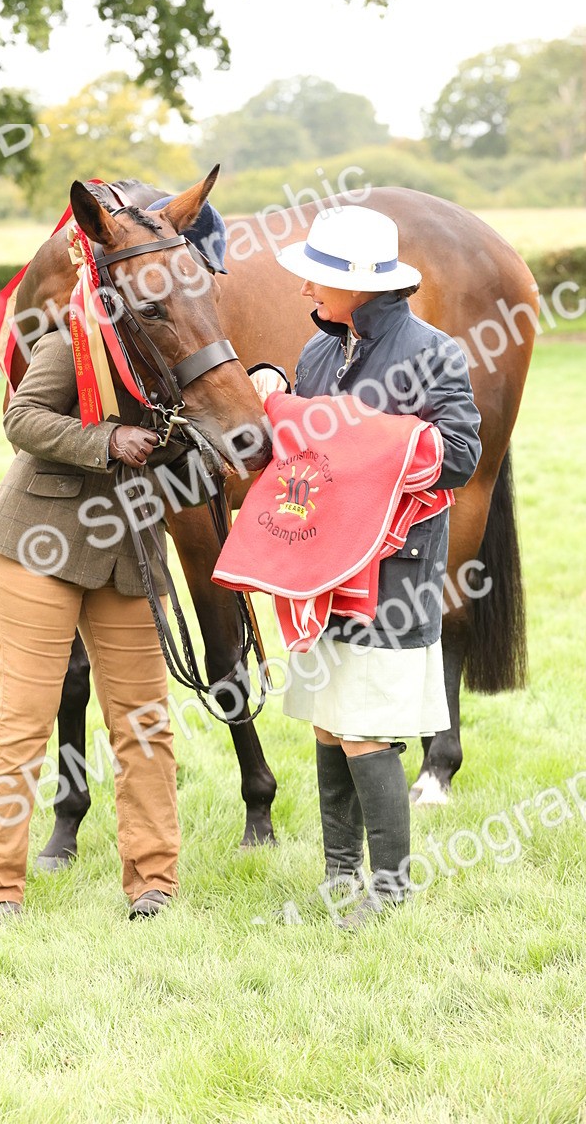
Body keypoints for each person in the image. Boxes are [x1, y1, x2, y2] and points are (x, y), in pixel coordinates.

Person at [251, 205, 482, 930]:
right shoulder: (317, 353)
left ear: (358, 285)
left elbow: (460, 456)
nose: (303, 290)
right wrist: (273, 398)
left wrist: (355, 438)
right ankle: (339, 879)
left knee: (365, 730)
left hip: (391, 575)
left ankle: (389, 890)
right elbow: (303, 456)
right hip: (323, 569)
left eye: (317, 278)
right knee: (328, 724)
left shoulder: (435, 353)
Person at [0, 327, 186, 923]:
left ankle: (154, 882)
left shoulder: (188, 350)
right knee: (24, 721)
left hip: (130, 551)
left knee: (145, 722)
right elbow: (22, 419)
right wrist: (107, 439)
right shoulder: (75, 341)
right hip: (36, 543)